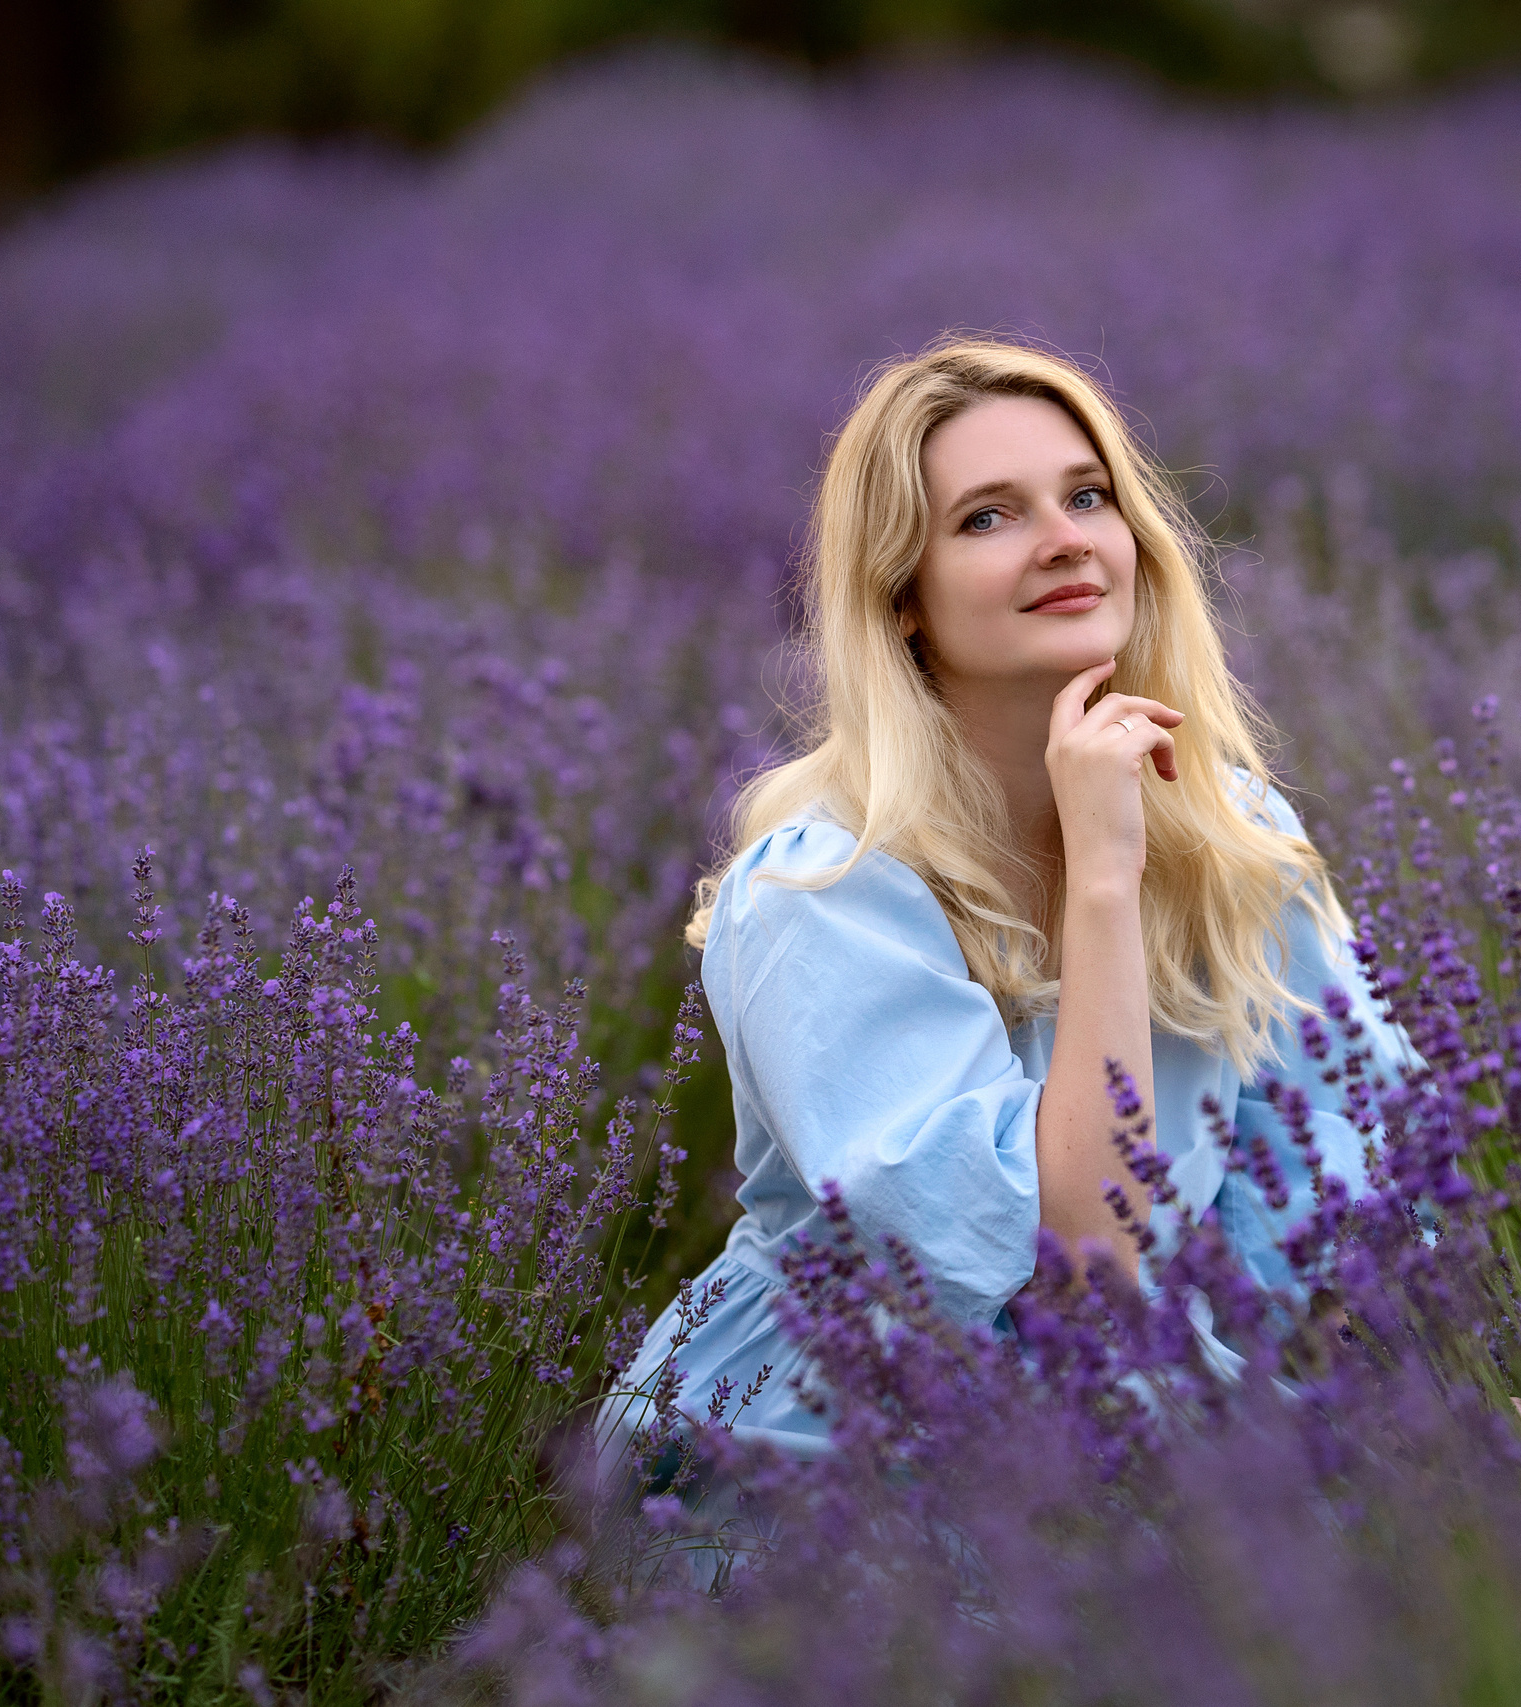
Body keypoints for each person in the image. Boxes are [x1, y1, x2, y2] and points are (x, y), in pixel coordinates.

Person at [598, 336, 1412, 1464]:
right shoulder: (820, 892)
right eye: (988, 517)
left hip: (1147, 1397)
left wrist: (1413, 1396)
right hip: (844, 1435)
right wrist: (1104, 879)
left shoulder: (1229, 828)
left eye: (1088, 497)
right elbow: (1074, 1261)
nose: (1066, 539)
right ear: (904, 600)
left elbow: (1349, 1158)